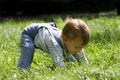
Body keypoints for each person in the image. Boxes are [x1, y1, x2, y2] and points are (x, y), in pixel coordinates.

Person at [17, 18, 90, 69]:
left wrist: (85, 67)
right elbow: (59, 64)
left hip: (46, 30)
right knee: (29, 49)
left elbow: (82, 58)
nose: (80, 50)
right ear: (65, 39)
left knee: (70, 53)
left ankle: (71, 61)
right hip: (31, 34)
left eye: (82, 47)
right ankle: (22, 69)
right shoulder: (55, 44)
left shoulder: (72, 41)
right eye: (77, 47)